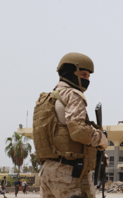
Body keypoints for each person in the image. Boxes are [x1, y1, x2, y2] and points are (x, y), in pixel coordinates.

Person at [33, 52, 108, 198]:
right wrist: (101, 139)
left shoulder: (46, 99)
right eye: (84, 74)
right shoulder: (72, 95)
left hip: (48, 170)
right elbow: (79, 132)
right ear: (70, 73)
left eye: (88, 76)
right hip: (69, 172)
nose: (87, 79)